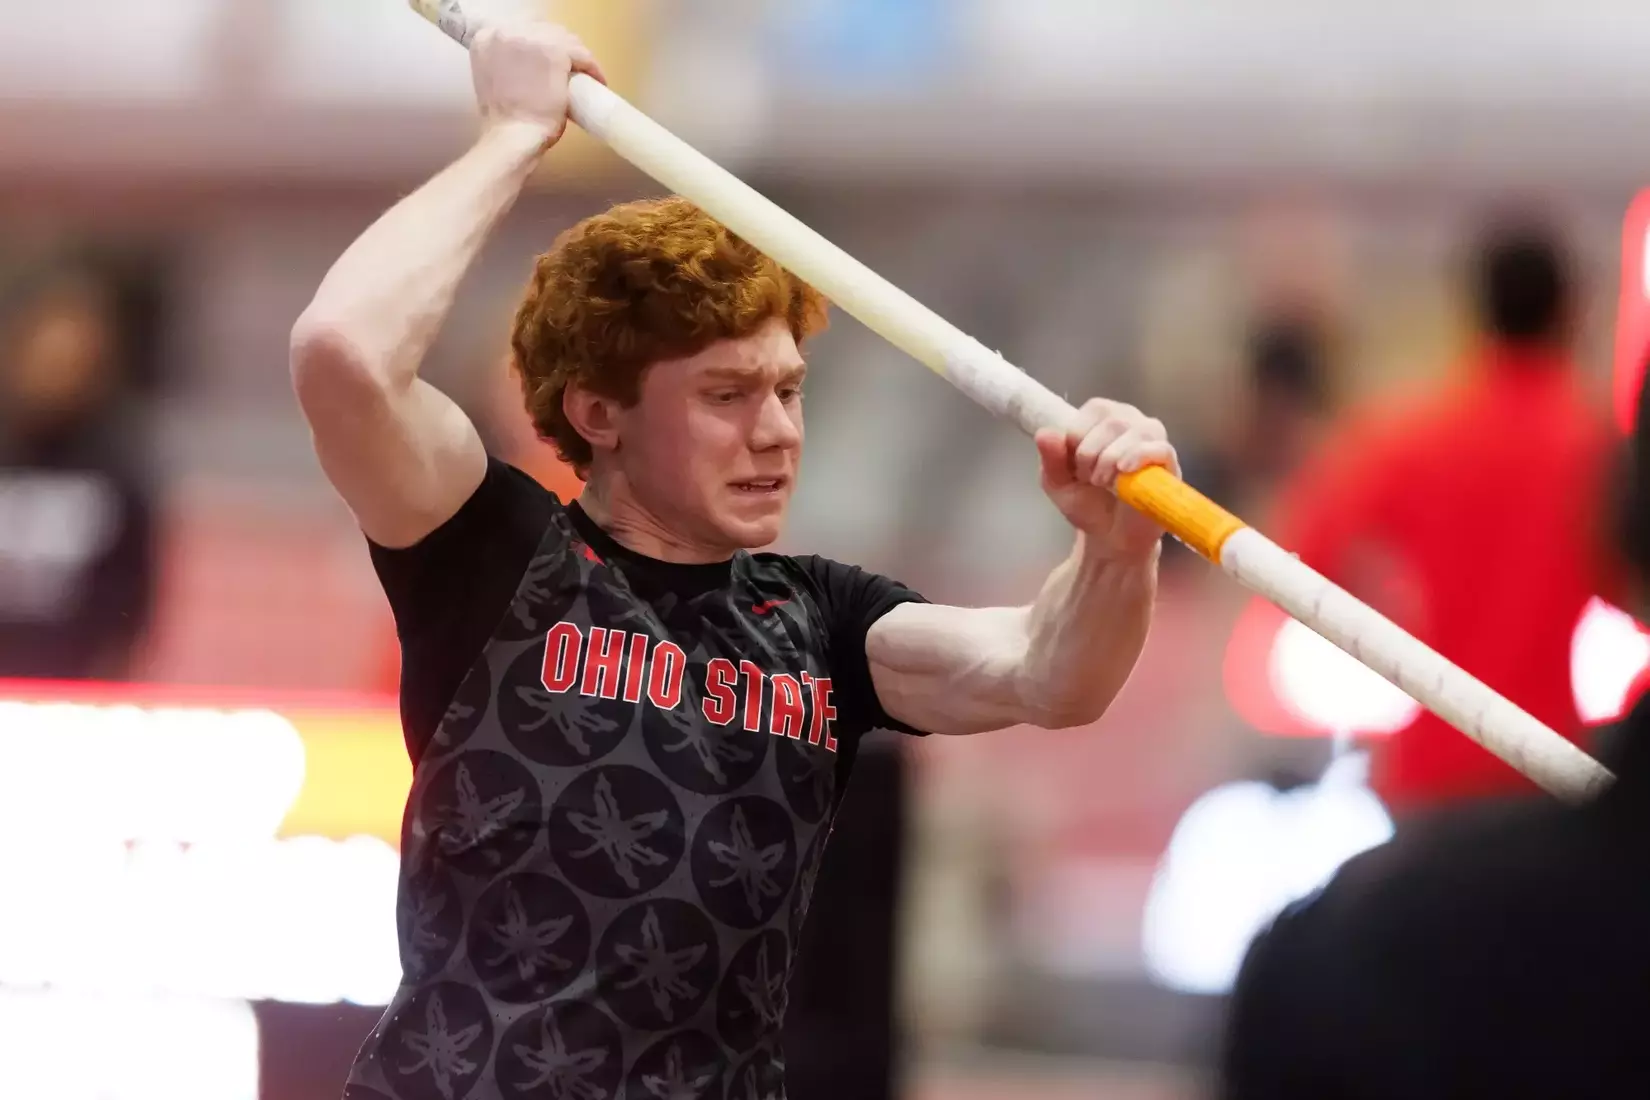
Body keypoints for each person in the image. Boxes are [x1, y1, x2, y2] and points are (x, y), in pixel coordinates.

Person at [288, 20, 1178, 1100]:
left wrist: (1115, 547)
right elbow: (344, 355)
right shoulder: (495, 555)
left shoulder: (818, 618)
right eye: (726, 395)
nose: (777, 431)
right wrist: (513, 135)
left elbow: (1049, 669)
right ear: (598, 411)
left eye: (789, 388)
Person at [1218, 362, 1650, 1100]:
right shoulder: (1585, 442)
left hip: (1435, 802)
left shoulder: (1411, 437)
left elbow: (1310, 549)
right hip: (1558, 779)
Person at [1251, 220, 1622, 815]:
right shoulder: (1601, 448)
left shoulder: (1408, 438)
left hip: (1431, 768)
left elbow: (1299, 558)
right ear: (1570, 311)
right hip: (1554, 766)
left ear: (1475, 310)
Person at [0, 267, 158, 682]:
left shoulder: (116, 471)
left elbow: (133, 592)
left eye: (74, 360)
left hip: (71, 689)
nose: (58, 373)